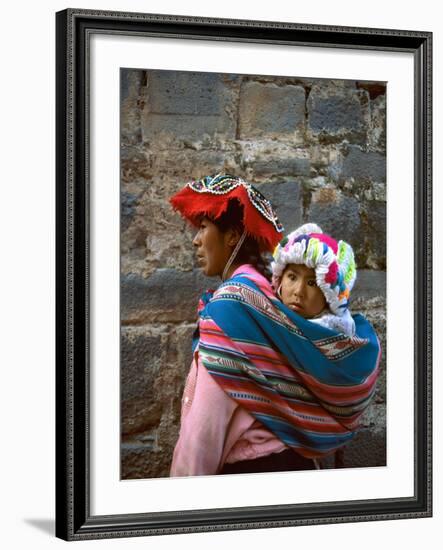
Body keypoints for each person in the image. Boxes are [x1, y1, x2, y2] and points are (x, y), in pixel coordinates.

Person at [169, 174, 381, 477]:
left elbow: (204, 430)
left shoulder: (232, 308)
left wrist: (178, 502)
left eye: (203, 227)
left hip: (251, 478)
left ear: (232, 236)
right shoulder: (269, 299)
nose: (195, 239)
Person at [271, 223, 357, 337]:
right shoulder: (261, 317)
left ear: (330, 297)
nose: (298, 292)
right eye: (292, 277)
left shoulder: (342, 335)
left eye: (312, 283)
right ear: (280, 278)